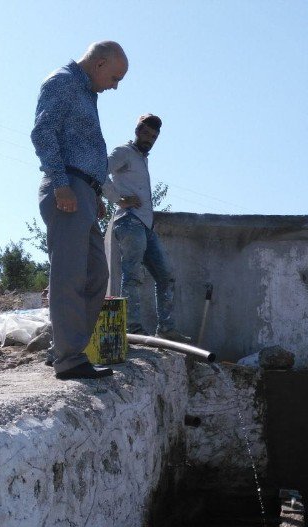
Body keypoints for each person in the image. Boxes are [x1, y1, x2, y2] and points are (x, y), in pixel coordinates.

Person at [31, 41, 128, 380]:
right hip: (66, 186)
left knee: (96, 275)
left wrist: (93, 191)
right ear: (99, 63)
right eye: (114, 77)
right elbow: (43, 132)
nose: (114, 85)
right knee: (70, 274)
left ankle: (62, 348)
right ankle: (70, 360)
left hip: (82, 190)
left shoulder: (86, 93)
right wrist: (61, 183)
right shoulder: (62, 81)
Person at [103, 114, 189, 341]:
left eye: (154, 137)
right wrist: (118, 199)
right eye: (146, 134)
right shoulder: (124, 152)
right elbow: (99, 169)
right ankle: (132, 328)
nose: (149, 139)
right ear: (137, 130)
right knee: (132, 274)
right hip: (129, 221)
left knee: (166, 275)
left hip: (145, 225)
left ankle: (166, 328)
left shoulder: (142, 158)